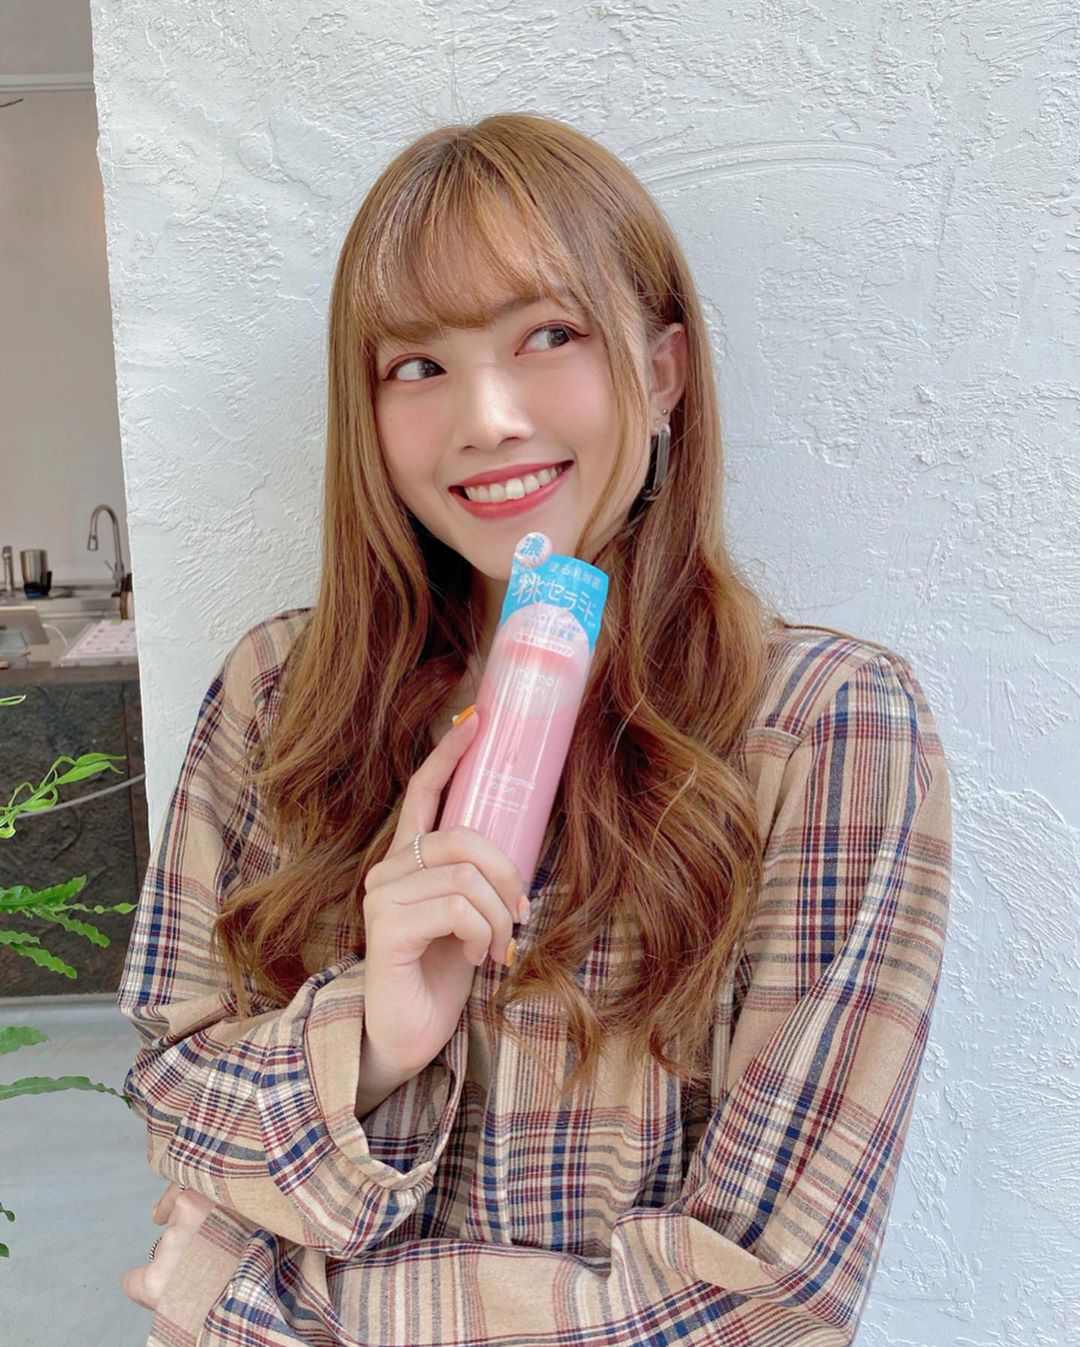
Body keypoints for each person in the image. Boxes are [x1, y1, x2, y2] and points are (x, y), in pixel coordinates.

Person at [118, 112, 952, 1347]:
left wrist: (252, 1296)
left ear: (662, 373)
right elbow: (174, 1100)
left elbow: (764, 1302)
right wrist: (372, 1044)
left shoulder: (825, 730)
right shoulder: (282, 695)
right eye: (417, 365)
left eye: (549, 335)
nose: (490, 416)